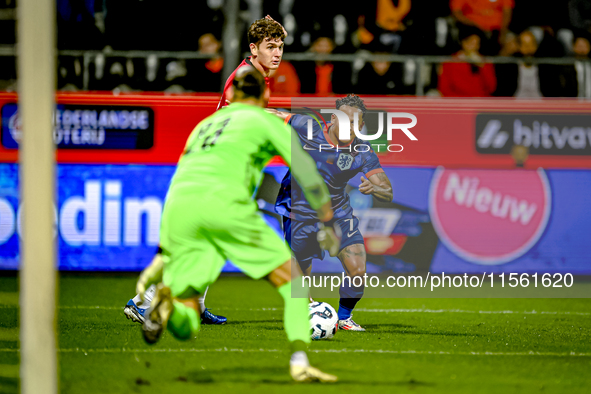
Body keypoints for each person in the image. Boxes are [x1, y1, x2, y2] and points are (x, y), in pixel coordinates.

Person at [138, 66, 339, 383]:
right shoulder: (264, 120)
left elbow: (183, 174)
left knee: (188, 313)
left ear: (231, 95)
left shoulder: (205, 125)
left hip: (179, 210)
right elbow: (306, 172)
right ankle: (299, 362)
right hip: (225, 207)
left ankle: (167, 307)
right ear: (266, 96)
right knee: (294, 285)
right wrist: (327, 219)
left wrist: (165, 247)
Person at [124, 15, 288, 325]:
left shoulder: (254, 74)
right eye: (270, 46)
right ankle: (142, 301)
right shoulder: (245, 76)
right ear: (254, 49)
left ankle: (193, 303)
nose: (277, 53)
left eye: (280, 46)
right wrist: (284, 118)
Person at [270, 94, 393, 331]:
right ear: (333, 120)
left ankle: (344, 318)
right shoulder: (309, 129)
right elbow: (275, 115)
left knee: (357, 270)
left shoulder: (363, 151)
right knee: (301, 272)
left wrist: (375, 187)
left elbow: (387, 190)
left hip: (338, 213)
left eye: (356, 123)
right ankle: (307, 313)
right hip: (300, 211)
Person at [438, 28, 497, 97]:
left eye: (477, 44)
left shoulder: (485, 62)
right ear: (463, 43)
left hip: (480, 102)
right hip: (458, 102)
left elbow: (492, 88)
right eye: (471, 43)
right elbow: (444, 89)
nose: (475, 47)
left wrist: (483, 67)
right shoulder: (450, 62)